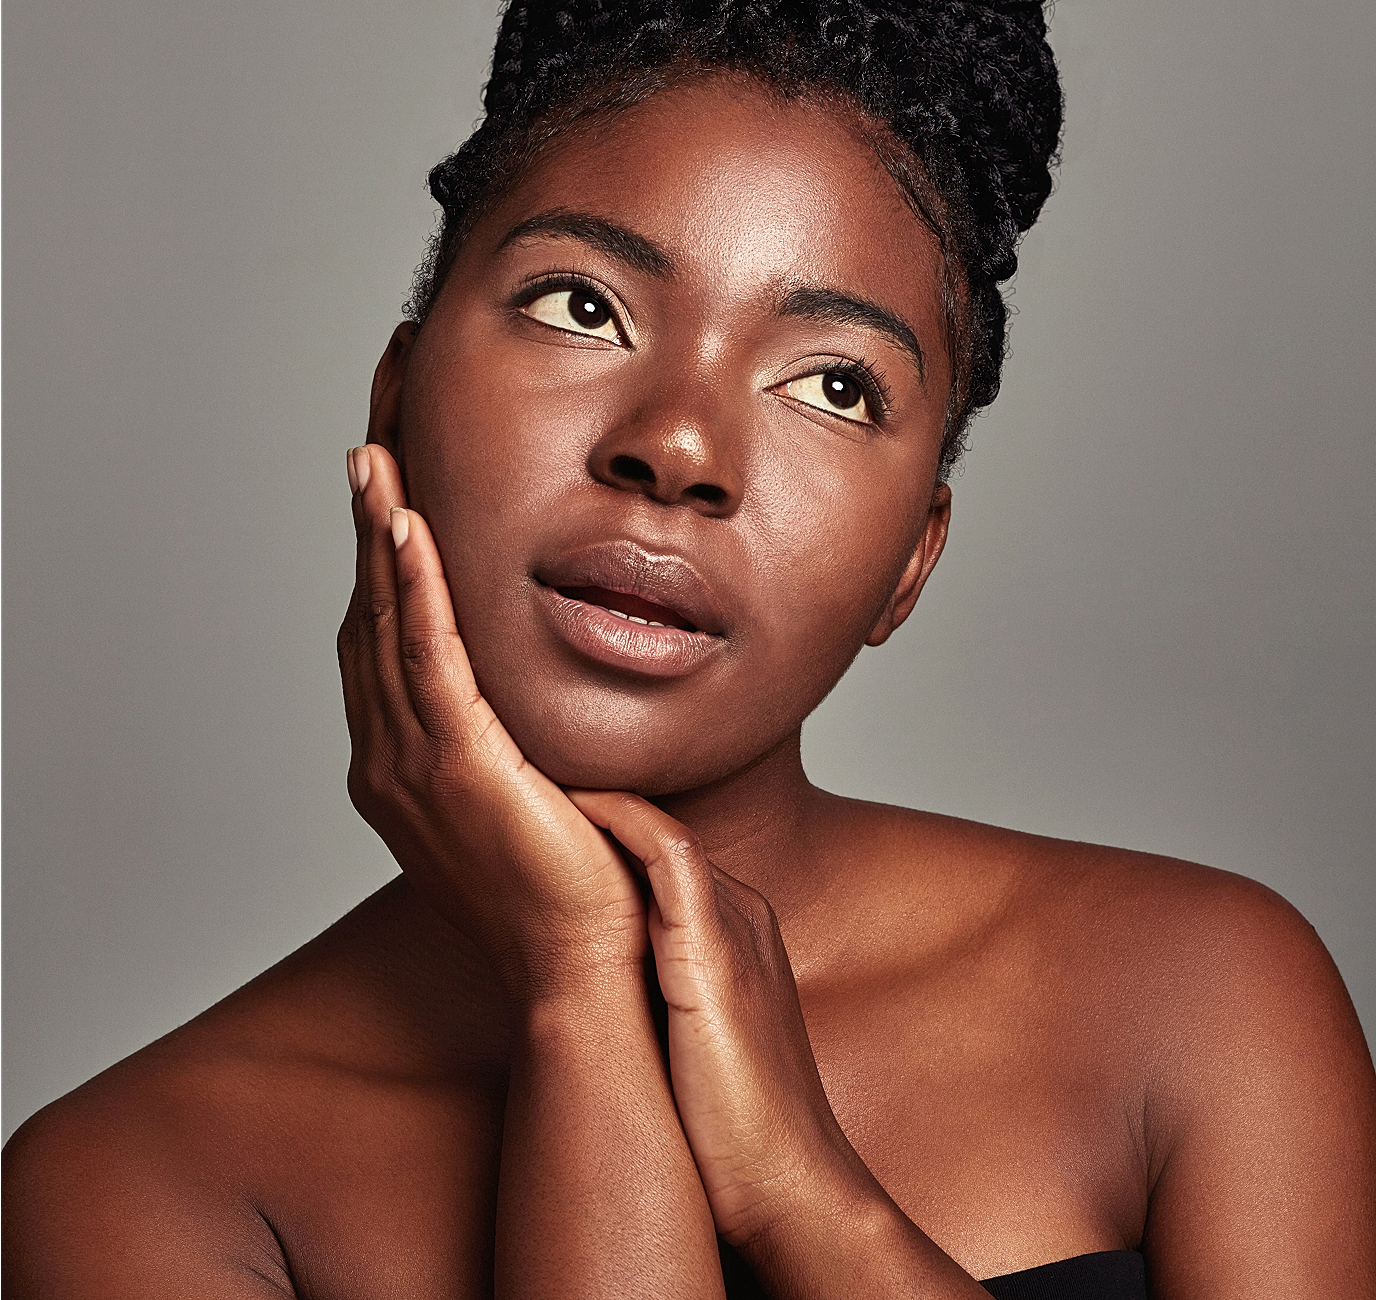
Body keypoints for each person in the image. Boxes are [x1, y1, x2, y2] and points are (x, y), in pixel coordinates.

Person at [3, 0, 1373, 1295]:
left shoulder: (1195, 1002)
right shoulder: (144, 1183)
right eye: (581, 305)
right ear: (395, 396)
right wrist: (580, 983)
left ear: (912, 560)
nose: (678, 447)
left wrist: (809, 1198)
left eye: (834, 385)